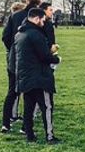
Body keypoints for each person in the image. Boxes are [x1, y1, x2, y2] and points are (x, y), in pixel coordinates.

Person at [11, 8, 61, 144]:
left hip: (25, 76)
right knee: (47, 107)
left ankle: (30, 135)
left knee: (28, 107)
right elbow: (44, 56)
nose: (44, 23)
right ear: (37, 18)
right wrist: (56, 59)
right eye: (43, 20)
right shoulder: (36, 34)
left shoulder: (19, 34)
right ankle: (49, 136)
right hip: (40, 77)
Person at [0, 0, 41, 133]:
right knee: (30, 92)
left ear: (26, 0)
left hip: (14, 56)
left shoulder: (15, 16)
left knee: (12, 91)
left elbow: (5, 36)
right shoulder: (39, 17)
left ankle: (5, 123)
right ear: (39, 3)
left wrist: (12, 48)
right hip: (31, 59)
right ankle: (26, 126)